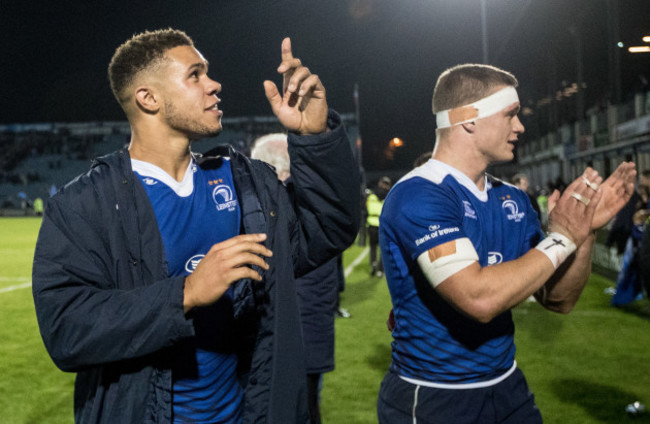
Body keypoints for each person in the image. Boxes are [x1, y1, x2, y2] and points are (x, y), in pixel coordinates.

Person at [32, 29, 359, 424]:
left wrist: (315, 139)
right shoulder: (85, 204)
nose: (214, 84)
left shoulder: (245, 182)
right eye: (195, 75)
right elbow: (67, 329)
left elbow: (329, 228)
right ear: (148, 98)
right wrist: (184, 293)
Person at [376, 63, 636, 423]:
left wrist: (584, 231)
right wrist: (562, 238)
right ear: (468, 120)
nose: (520, 127)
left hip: (508, 387)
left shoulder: (512, 199)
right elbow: (479, 298)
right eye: (511, 115)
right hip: (437, 396)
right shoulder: (418, 194)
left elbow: (559, 300)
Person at [250, 133, 343, 424]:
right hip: (311, 330)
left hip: (291, 334)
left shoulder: (285, 204)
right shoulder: (314, 203)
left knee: (290, 410)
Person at [608, 170, 650, 306]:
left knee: (632, 266)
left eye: (643, 180)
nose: (641, 183)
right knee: (630, 266)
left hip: (639, 237)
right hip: (636, 236)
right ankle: (625, 294)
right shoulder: (638, 198)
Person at [366, 176, 392, 277]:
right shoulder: (389, 196)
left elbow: (366, 208)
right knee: (383, 249)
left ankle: (373, 264)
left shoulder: (371, 195)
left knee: (373, 247)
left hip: (372, 224)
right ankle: (381, 270)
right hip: (382, 225)